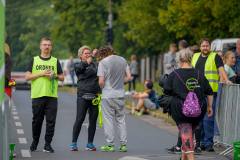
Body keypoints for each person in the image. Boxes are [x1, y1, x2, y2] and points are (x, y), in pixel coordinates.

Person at [163, 49, 214, 160]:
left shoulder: (174, 74)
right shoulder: (199, 74)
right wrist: (209, 107)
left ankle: (191, 158)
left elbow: (166, 91)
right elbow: (209, 91)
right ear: (190, 59)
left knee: (185, 132)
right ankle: (183, 158)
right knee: (188, 131)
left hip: (180, 110)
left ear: (179, 60)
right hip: (198, 110)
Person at [192, 38, 232, 152]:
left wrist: (227, 79)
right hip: (196, 93)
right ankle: (201, 143)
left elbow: (221, 69)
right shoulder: (195, 57)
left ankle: (209, 143)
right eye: (203, 46)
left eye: (207, 46)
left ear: (210, 47)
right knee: (199, 119)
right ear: (200, 47)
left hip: (210, 93)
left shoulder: (215, 56)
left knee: (208, 119)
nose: (205, 48)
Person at [25, 37, 64, 153]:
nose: (47, 47)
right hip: (37, 95)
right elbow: (27, 77)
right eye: (44, 44)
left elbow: (62, 78)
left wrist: (55, 76)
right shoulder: (34, 60)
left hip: (52, 95)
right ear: (40, 46)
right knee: (37, 121)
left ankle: (47, 144)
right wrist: (41, 74)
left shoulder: (55, 61)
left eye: (49, 45)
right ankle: (35, 141)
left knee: (51, 121)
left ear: (51, 47)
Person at [97, 45, 131, 152]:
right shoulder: (123, 60)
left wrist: (102, 87)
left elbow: (101, 81)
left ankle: (110, 145)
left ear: (102, 54)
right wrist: (122, 82)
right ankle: (123, 145)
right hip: (120, 94)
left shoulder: (103, 63)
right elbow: (129, 77)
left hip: (108, 95)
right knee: (121, 120)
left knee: (108, 120)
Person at [71, 46, 100, 151]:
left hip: (95, 95)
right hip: (82, 95)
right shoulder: (77, 65)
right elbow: (83, 67)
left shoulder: (96, 65)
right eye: (86, 53)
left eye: (89, 53)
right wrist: (92, 56)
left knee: (93, 120)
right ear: (80, 55)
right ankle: (74, 143)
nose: (88, 54)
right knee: (80, 118)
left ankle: (90, 143)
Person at [166, 40, 188, 154]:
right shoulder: (195, 73)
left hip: (181, 100)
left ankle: (182, 146)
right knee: (186, 124)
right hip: (191, 101)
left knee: (182, 123)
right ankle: (184, 147)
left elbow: (167, 89)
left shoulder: (176, 73)